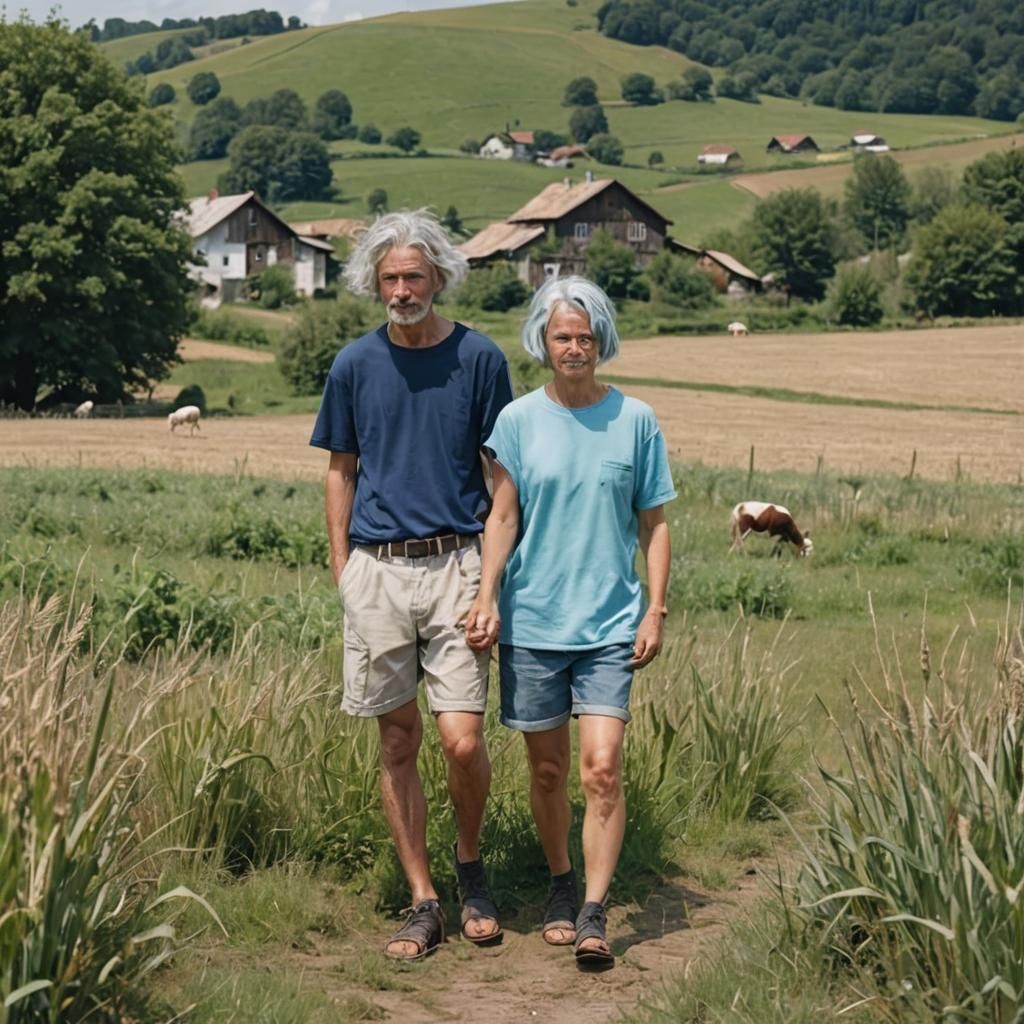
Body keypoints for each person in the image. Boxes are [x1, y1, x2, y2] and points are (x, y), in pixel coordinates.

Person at [310, 209, 513, 960]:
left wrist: (491, 584)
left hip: (457, 564)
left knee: (461, 741)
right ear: (374, 283)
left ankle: (470, 863)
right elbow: (339, 472)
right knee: (397, 740)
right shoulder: (354, 366)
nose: (401, 290)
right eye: (390, 278)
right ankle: (424, 899)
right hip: (377, 572)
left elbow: (503, 483)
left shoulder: (481, 360)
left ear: (439, 279)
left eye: (414, 277)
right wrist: (345, 572)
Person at [465, 275, 675, 969]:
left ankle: (593, 909)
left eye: (586, 336)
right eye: (563, 336)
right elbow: (503, 516)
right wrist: (488, 595)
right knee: (550, 770)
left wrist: (655, 606)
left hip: (611, 624)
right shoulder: (518, 422)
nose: (575, 347)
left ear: (602, 340)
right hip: (533, 622)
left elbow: (655, 522)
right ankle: (559, 880)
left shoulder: (636, 420)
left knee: (603, 768)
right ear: (543, 342)